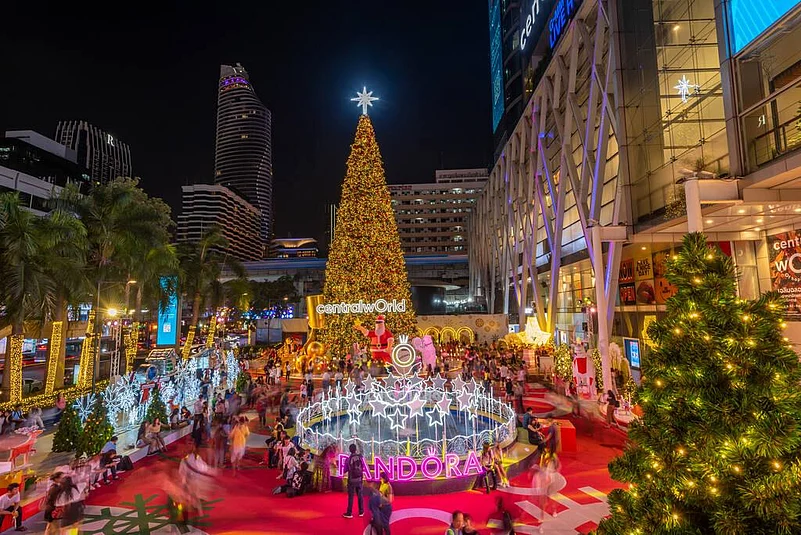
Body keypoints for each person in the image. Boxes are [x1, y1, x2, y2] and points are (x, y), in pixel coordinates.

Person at [342, 444, 365, 519]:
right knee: (360, 496)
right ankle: (361, 511)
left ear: (349, 450)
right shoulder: (360, 457)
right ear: (356, 449)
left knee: (351, 497)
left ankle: (349, 513)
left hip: (351, 480)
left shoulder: (349, 459)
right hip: (359, 479)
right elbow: (363, 466)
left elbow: (345, 470)